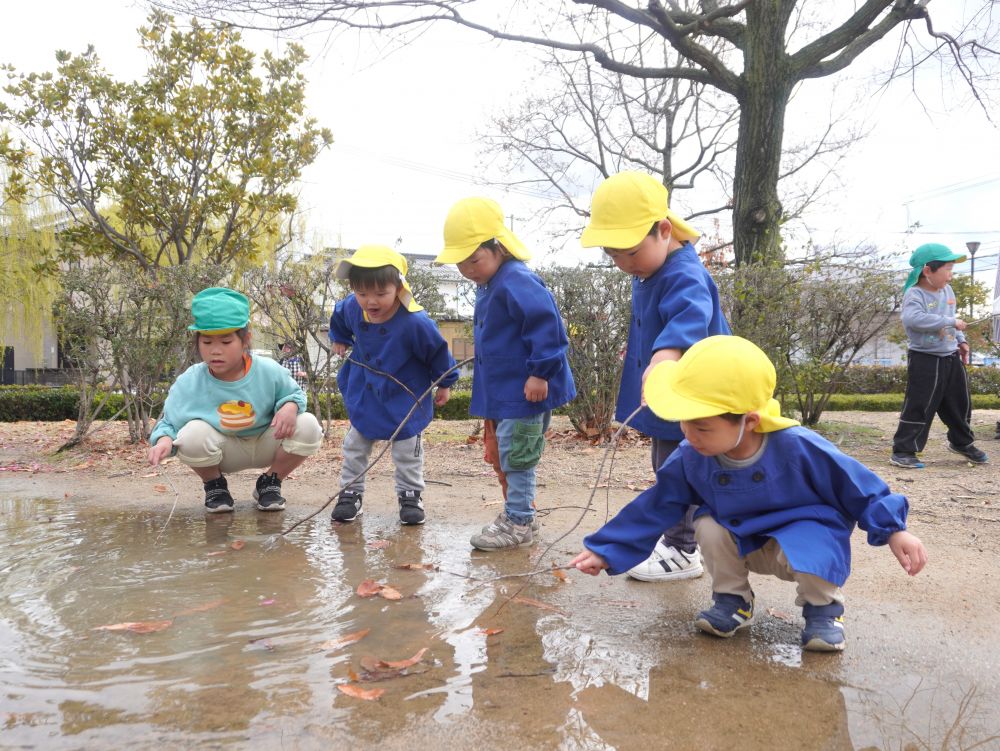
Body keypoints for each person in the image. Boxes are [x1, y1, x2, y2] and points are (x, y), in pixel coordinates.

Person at [572, 335, 928, 652]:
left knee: (817, 537)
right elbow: (655, 505)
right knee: (708, 526)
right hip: (744, 539)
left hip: (801, 539)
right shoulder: (691, 456)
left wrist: (894, 529)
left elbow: (857, 485)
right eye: (683, 423)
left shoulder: (798, 446)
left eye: (702, 426)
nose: (689, 435)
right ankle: (733, 601)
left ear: (750, 421)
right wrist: (606, 550)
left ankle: (823, 611)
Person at [579, 171, 730, 583]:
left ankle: (683, 549)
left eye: (628, 252)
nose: (623, 264)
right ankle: (679, 539)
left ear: (664, 230)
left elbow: (690, 315)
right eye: (613, 255)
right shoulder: (649, 270)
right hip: (671, 389)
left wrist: (665, 352)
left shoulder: (683, 273)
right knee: (668, 460)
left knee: (677, 464)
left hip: (692, 393)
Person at [435, 197, 576, 550]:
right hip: (508, 392)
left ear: (498, 247)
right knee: (509, 453)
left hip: (526, 391)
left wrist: (541, 373)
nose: (467, 268)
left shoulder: (517, 280)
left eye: (474, 259)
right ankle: (520, 514)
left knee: (518, 454)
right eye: (460, 263)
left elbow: (549, 328)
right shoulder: (490, 284)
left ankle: (519, 523)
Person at [148, 287, 323, 512]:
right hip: (223, 450)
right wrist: (163, 441)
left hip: (266, 442)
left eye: (226, 342)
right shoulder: (190, 380)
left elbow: (294, 394)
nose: (216, 351)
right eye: (207, 343)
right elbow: (169, 423)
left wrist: (289, 406)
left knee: (307, 424)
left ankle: (270, 483)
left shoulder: (268, 370)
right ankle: (215, 486)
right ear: (198, 342)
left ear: (245, 340)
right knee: (190, 434)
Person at [328, 245, 459, 525]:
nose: (370, 302)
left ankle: (410, 495)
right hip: (365, 389)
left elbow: (438, 353)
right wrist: (340, 337)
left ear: (398, 287)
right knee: (355, 443)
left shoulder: (415, 321)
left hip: (404, 394)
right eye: (362, 293)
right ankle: (350, 493)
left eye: (380, 294)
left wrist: (445, 383)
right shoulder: (353, 307)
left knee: (406, 449)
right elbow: (339, 314)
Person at [890, 243, 989, 469]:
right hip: (925, 358)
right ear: (928, 271)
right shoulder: (914, 294)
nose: (951, 276)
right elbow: (914, 320)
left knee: (960, 403)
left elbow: (951, 317)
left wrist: (961, 341)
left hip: (950, 355)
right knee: (920, 404)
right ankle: (903, 450)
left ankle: (962, 443)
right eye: (948, 269)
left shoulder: (947, 291)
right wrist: (950, 322)